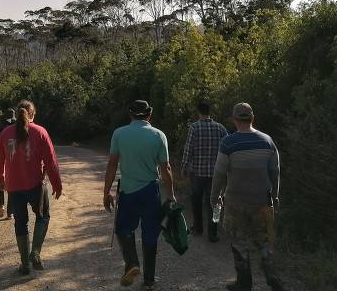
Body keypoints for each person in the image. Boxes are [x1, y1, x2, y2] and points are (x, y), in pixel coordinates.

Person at [210, 103, 284, 291]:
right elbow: (275, 172)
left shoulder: (228, 143)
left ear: (234, 120)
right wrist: (275, 196)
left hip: (236, 202)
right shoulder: (267, 141)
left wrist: (214, 196)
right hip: (263, 201)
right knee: (265, 241)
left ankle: (244, 283)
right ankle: (272, 275)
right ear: (253, 118)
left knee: (239, 241)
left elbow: (219, 173)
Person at [103, 100, 176, 290]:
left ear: (130, 114)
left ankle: (132, 263)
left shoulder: (119, 134)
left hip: (128, 192)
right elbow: (166, 168)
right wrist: (171, 194)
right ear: (149, 115)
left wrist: (106, 192)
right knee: (150, 233)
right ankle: (150, 279)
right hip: (151, 191)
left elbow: (112, 164)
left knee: (123, 229)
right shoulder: (159, 135)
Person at [0, 100, 62, 275]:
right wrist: (57, 183)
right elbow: (51, 161)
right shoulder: (40, 132)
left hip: (14, 186)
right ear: (33, 114)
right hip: (36, 186)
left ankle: (25, 265)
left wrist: (0, 179)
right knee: (43, 216)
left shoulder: (5, 133)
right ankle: (36, 252)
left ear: (18, 114)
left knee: (20, 223)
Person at [180, 99, 228, 242]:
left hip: (198, 172)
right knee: (215, 203)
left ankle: (198, 227)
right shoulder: (220, 128)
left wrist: (184, 167)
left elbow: (189, 149)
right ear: (209, 112)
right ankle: (213, 233)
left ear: (199, 112)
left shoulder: (194, 127)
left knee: (196, 199)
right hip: (216, 174)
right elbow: (227, 148)